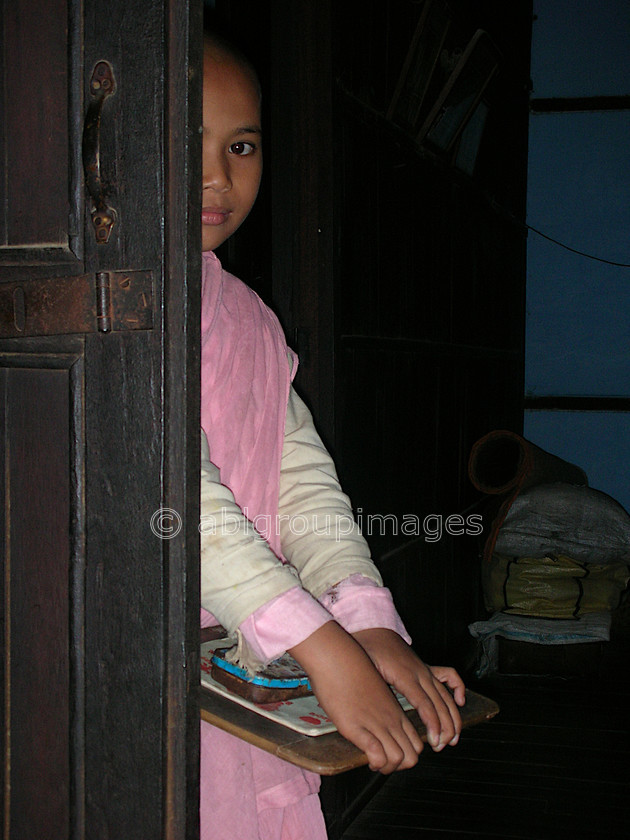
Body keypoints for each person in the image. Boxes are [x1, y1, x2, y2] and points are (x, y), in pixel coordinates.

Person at [198, 32, 466, 840]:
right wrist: (322, 645)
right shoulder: (108, 322)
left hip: (240, 661)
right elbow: (167, 494)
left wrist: (367, 626)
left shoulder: (248, 320)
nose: (217, 176)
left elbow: (301, 484)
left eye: (240, 146)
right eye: (183, 143)